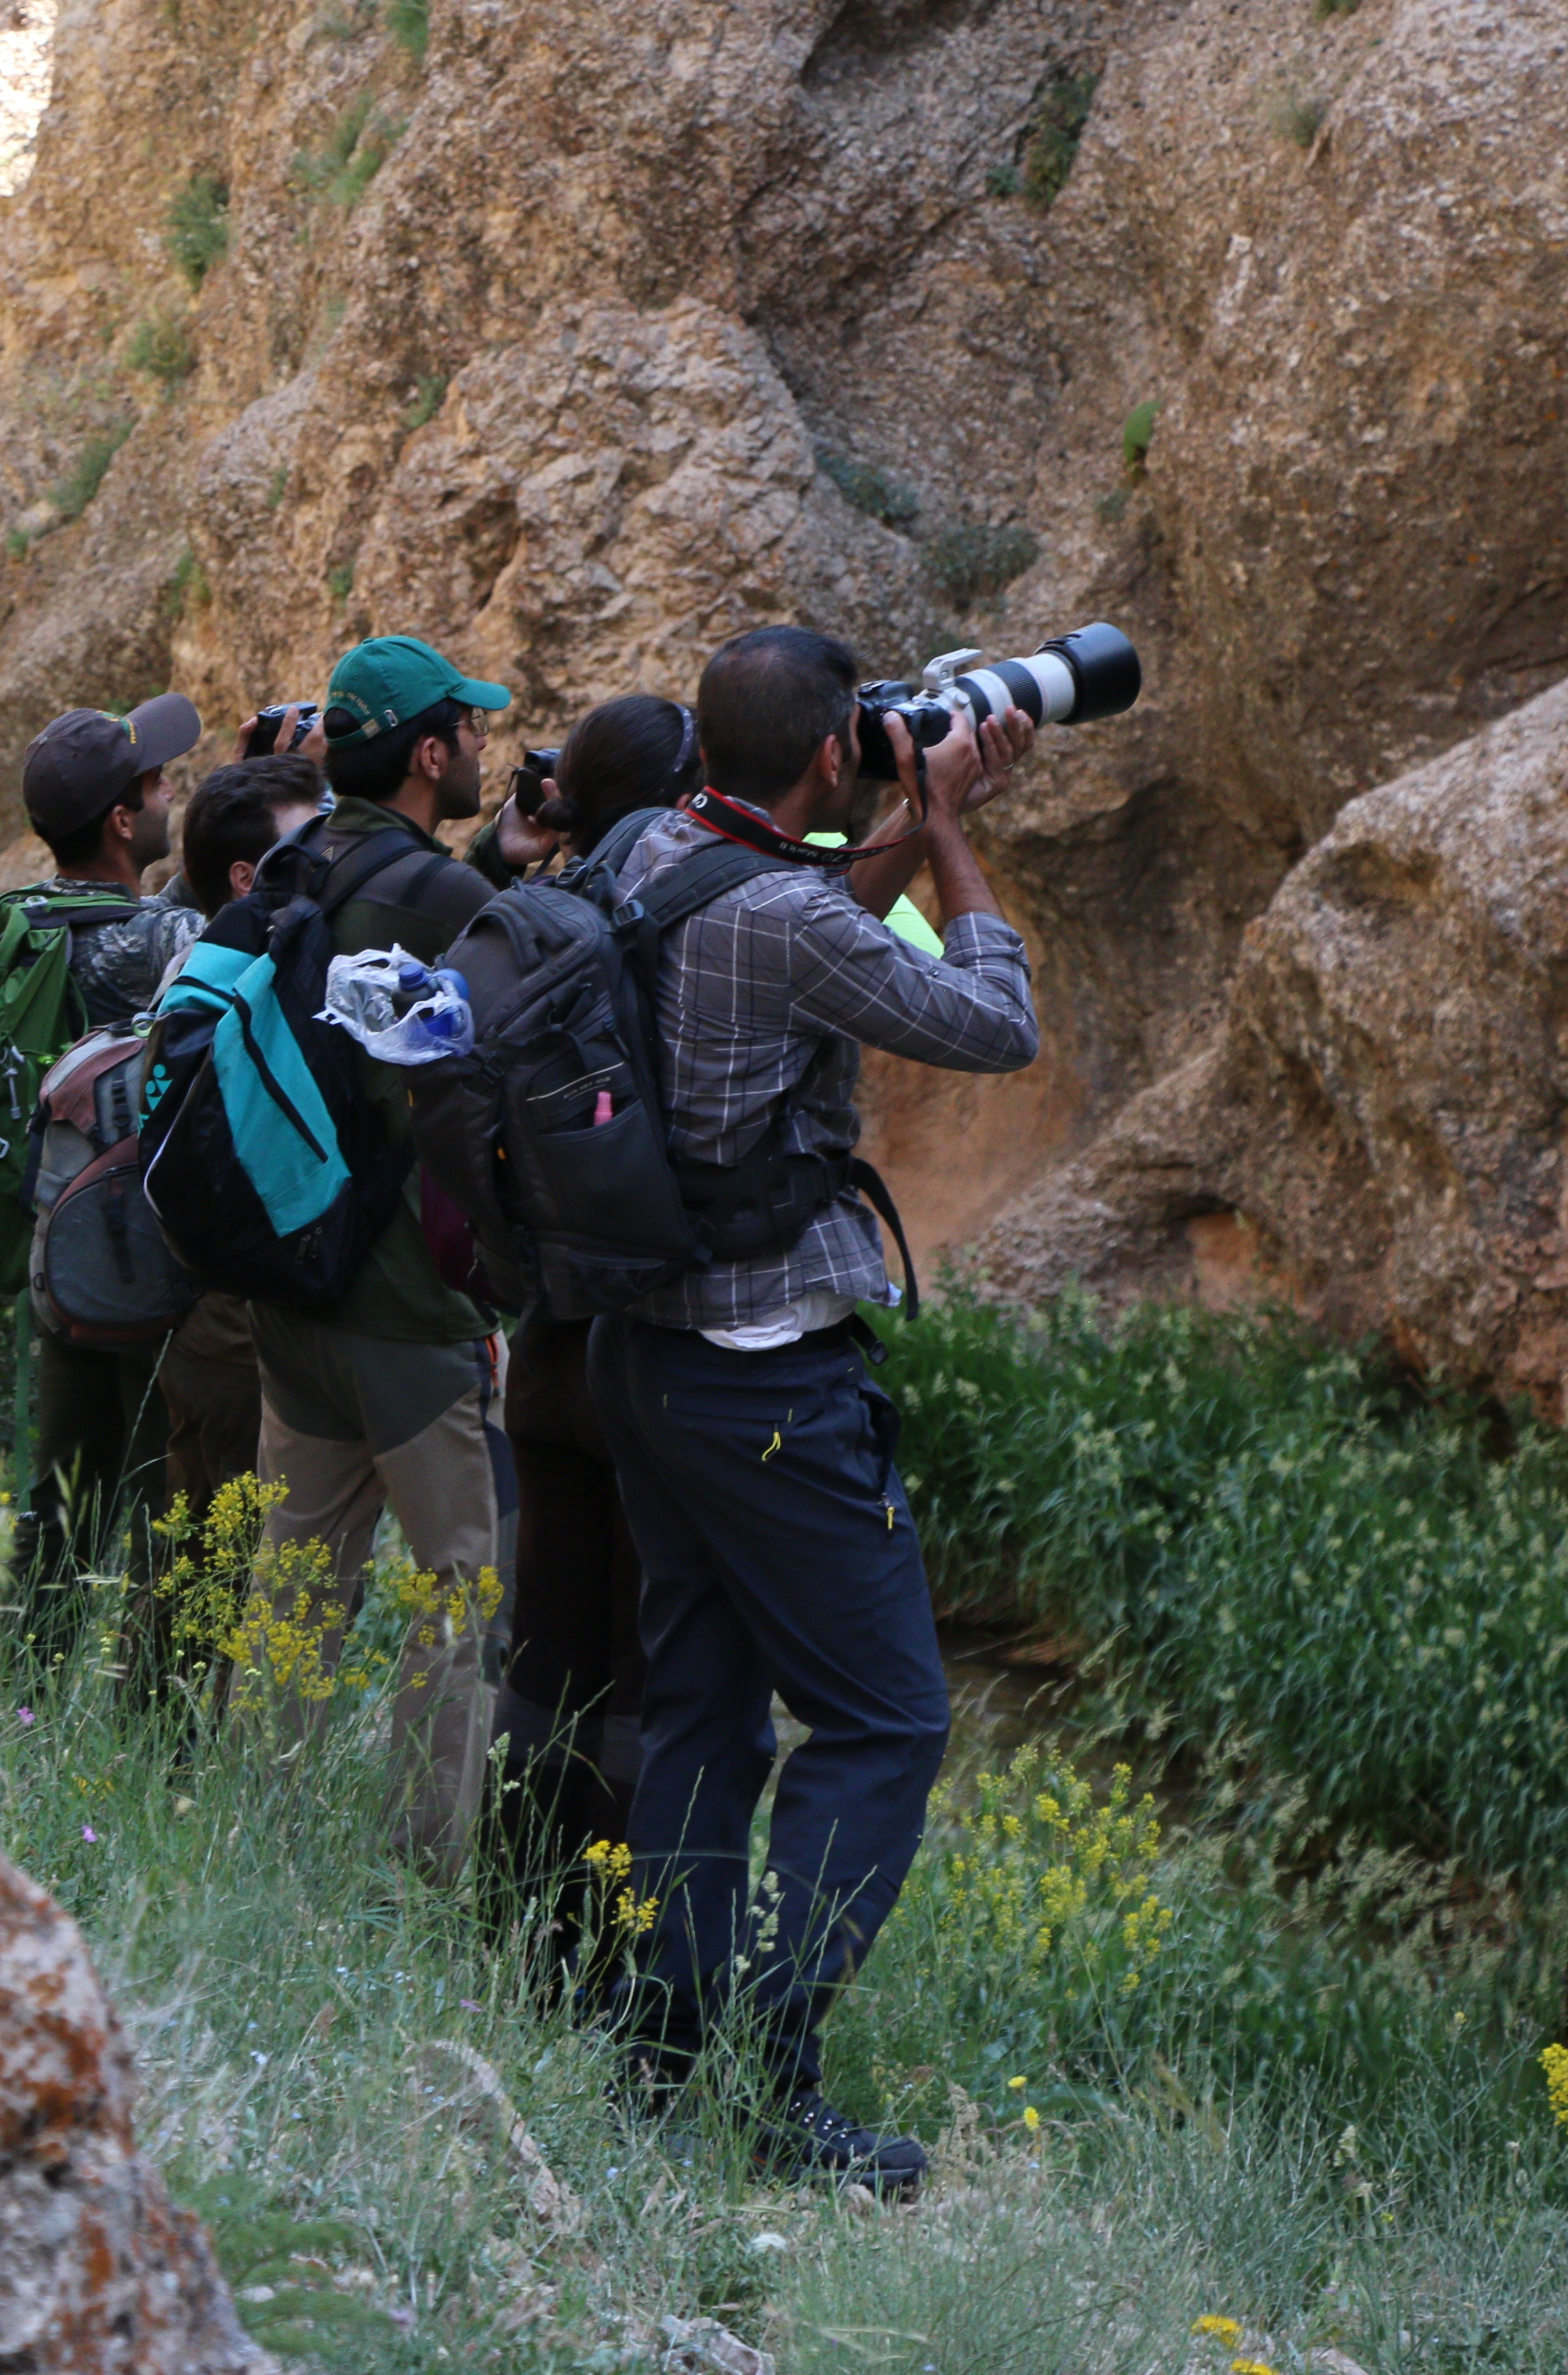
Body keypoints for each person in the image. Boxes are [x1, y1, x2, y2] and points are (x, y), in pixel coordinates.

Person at [592, 625, 1037, 2194]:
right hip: (761, 1371)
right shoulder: (783, 913)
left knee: (702, 1719)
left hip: (636, 1359)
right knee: (885, 1721)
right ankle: (771, 2091)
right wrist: (957, 845)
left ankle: (654, 2059)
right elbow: (991, 1024)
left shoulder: (651, 844)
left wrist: (889, 829)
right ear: (831, 752)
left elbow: (781, 942)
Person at [247, 635, 514, 1883]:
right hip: (407, 1311)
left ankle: (264, 1844)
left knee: (294, 1589)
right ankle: (419, 1870)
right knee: (458, 1597)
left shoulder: (298, 860)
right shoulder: (442, 898)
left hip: (293, 1287)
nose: (481, 748)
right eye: (468, 730)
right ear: (427, 750)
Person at [466, 696, 702, 1958]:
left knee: (541, 1653)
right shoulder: (680, 915)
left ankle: (510, 1916)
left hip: (540, 1340)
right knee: (641, 1666)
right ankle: (609, 1949)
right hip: (639, 1347)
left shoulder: (537, 922)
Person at [11, 693, 207, 1655]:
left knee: (60, 1488)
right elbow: (208, 936)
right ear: (125, 821)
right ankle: (152, 1714)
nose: (172, 793)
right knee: (164, 1498)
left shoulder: (25, 928)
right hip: (149, 1262)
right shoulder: (161, 943)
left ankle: (27, 1684)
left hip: (55, 1254)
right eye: (159, 784)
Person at [149, 754, 329, 1600]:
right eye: (313, 841)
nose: (335, 858)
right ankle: (178, 1730)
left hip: (226, 1312)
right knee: (218, 1565)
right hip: (228, 1316)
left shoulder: (225, 958)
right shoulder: (227, 980)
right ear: (248, 878)